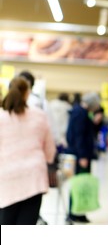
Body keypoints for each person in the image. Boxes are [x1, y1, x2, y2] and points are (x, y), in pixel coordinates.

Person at [0, 77, 56, 225]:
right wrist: (50, 161)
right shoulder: (39, 115)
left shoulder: (1, 116)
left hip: (6, 176)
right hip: (34, 176)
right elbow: (50, 148)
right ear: (27, 93)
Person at [66, 92, 101, 224]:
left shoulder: (79, 112)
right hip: (81, 155)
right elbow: (79, 136)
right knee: (79, 184)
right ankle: (74, 212)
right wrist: (82, 156)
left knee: (80, 183)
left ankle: (78, 211)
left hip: (80, 153)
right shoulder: (81, 113)